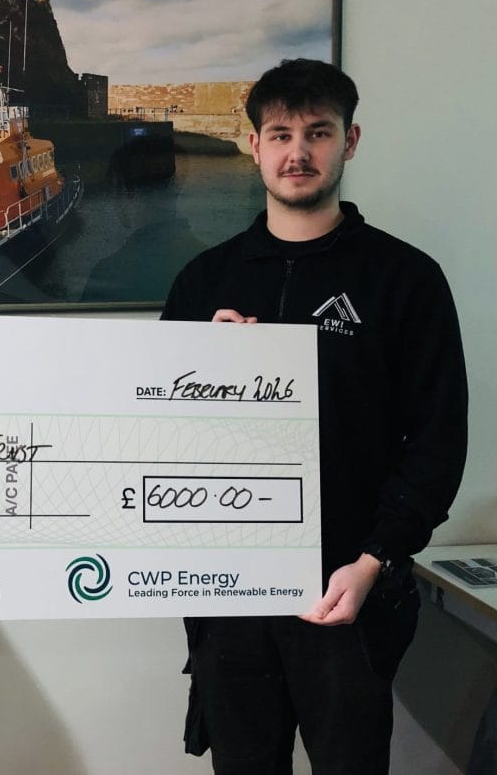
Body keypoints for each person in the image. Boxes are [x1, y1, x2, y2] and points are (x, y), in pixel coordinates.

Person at [161, 59, 468, 774]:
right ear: (253, 145)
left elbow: (437, 439)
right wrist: (199, 373)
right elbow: (156, 436)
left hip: (351, 590)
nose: (297, 152)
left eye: (318, 133)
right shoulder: (203, 281)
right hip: (229, 598)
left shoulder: (406, 279)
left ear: (350, 141)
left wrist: (374, 560)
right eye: (280, 134)